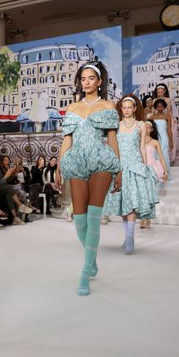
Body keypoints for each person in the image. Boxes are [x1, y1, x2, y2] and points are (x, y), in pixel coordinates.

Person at [55, 60, 121, 296]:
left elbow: (112, 139)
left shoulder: (108, 106)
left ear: (99, 81)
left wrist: (119, 168)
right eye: (83, 79)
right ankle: (91, 259)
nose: (86, 83)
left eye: (91, 78)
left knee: (93, 218)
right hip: (76, 161)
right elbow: (67, 140)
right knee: (79, 220)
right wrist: (59, 167)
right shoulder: (72, 108)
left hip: (101, 161)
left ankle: (85, 271)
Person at [103, 95, 158, 254]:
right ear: (121, 109)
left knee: (132, 204)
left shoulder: (141, 125)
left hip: (134, 166)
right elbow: (111, 146)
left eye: (129, 107)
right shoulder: (116, 126)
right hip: (120, 167)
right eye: (124, 107)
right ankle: (127, 237)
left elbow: (142, 147)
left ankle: (130, 237)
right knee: (123, 203)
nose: (126, 110)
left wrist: (145, 167)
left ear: (134, 109)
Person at [141, 120, 169, 229]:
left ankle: (146, 218)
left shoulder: (155, 142)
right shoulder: (139, 140)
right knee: (142, 194)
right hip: (141, 168)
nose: (146, 129)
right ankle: (144, 217)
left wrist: (165, 171)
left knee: (148, 194)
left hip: (152, 169)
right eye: (145, 127)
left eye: (149, 128)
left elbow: (161, 157)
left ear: (152, 129)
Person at [150, 98, 173, 181]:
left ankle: (166, 173)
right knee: (155, 156)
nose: (160, 108)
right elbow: (150, 130)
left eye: (161, 106)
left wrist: (171, 141)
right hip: (155, 139)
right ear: (155, 107)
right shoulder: (152, 118)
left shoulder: (167, 117)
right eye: (158, 107)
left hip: (164, 138)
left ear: (164, 107)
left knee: (165, 156)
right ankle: (157, 174)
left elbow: (169, 130)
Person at [154, 83, 177, 163]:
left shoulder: (167, 100)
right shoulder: (154, 100)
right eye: (158, 92)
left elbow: (169, 111)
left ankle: (170, 157)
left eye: (161, 92)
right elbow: (154, 112)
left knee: (170, 134)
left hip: (166, 118)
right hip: (157, 120)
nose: (160, 93)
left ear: (164, 91)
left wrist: (173, 118)